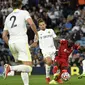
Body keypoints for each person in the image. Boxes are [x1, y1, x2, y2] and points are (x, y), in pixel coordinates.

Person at [2, 0, 38, 85]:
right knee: (29, 67)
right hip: (21, 41)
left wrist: (10, 44)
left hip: (11, 42)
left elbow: (4, 36)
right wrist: (36, 34)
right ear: (21, 5)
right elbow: (31, 23)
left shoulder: (8, 17)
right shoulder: (24, 12)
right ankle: (10, 68)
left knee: (23, 66)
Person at [33, 18, 57, 84]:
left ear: (45, 25)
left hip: (53, 49)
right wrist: (31, 49)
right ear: (39, 26)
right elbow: (35, 43)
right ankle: (47, 77)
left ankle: (55, 78)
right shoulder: (37, 33)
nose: (42, 26)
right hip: (45, 50)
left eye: (43, 24)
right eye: (40, 25)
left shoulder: (51, 30)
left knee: (55, 64)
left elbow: (55, 38)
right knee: (49, 61)